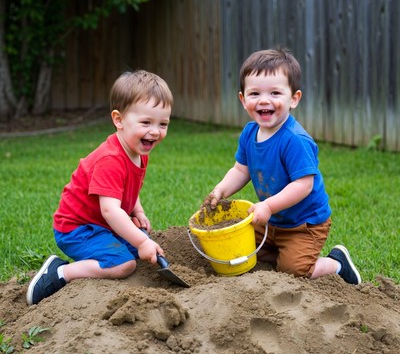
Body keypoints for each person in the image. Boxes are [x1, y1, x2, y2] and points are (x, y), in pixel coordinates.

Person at [204, 47, 361, 285]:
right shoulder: (249, 133)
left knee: (293, 270)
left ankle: (337, 263)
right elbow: (240, 170)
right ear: (243, 99)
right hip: (272, 221)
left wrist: (267, 205)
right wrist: (221, 190)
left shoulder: (294, 140)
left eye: (275, 93)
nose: (264, 100)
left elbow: (303, 185)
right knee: (239, 250)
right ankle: (281, 251)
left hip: (304, 223)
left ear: (294, 99)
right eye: (255, 93)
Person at [27, 70, 174, 305]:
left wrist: (138, 212)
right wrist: (143, 241)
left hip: (99, 225)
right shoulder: (110, 159)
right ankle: (60, 273)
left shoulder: (138, 151)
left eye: (163, 123)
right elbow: (110, 210)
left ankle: (119, 245)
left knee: (137, 250)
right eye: (146, 122)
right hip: (77, 229)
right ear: (119, 120)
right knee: (124, 264)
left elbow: (129, 188)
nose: (155, 131)